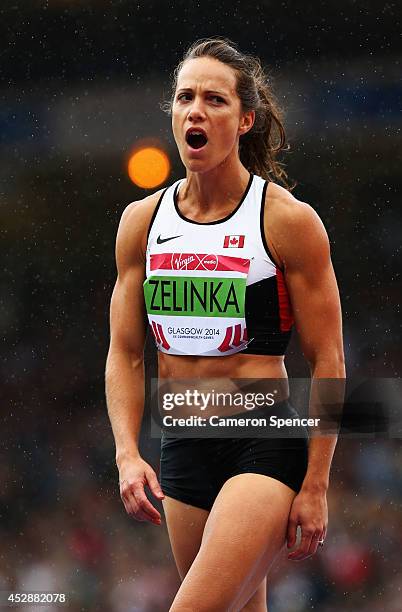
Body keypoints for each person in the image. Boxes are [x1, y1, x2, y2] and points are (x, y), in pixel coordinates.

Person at [105, 37, 345, 611]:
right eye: (185, 97)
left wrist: (315, 484)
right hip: (183, 444)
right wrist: (126, 452)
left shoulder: (286, 220)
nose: (196, 110)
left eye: (215, 99)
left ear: (244, 121)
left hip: (261, 441)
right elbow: (125, 353)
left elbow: (329, 360)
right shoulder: (142, 222)